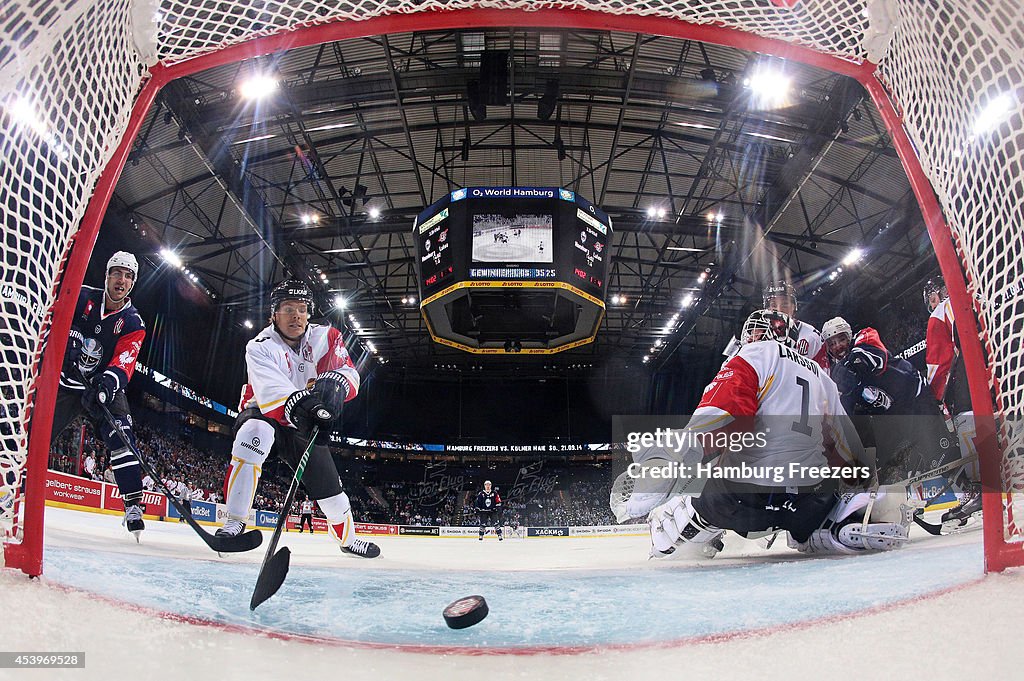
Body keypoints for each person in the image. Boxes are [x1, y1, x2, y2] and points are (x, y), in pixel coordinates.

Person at [638, 309, 908, 558]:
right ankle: (842, 522)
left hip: (745, 498)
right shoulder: (823, 377)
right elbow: (847, 449)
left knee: (686, 500)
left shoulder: (750, 356)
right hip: (807, 502)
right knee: (821, 507)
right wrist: (861, 486)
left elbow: (717, 421)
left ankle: (678, 543)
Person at [217, 279, 379, 558]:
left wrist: (336, 387)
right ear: (274, 314)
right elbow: (272, 393)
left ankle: (348, 540)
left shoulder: (325, 336)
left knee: (332, 494)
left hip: (304, 422)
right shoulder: (259, 346)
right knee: (253, 434)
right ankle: (234, 522)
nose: (296, 316)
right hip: (266, 413)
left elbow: (349, 371)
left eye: (302, 309)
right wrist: (313, 406)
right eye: (288, 309)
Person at [49, 251, 147, 539]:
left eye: (128, 276)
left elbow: (125, 360)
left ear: (132, 284)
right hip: (67, 383)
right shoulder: (81, 297)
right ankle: (14, 488)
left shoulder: (133, 322)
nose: (122, 280)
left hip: (102, 389)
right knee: (37, 434)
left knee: (122, 438)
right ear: (107, 276)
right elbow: (55, 320)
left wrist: (107, 383)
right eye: (117, 272)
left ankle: (132, 505)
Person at [821, 316, 959, 481]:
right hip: (894, 416)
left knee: (940, 455)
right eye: (832, 344)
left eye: (841, 339)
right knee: (898, 465)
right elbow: (846, 415)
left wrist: (846, 368)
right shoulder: (840, 378)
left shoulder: (864, 337)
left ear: (850, 336)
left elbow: (875, 358)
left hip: (916, 397)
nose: (838, 347)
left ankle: (970, 486)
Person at [923, 277, 980, 526]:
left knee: (967, 426)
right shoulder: (972, 299)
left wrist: (935, 397)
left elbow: (938, 363)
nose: (932, 303)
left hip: (966, 375)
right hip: (995, 368)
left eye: (932, 298)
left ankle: (978, 491)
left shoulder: (940, 312)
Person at [762, 280, 828, 369]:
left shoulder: (812, 336)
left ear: (794, 307)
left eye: (785, 304)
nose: (779, 309)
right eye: (773, 304)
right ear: (767, 308)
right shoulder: (759, 336)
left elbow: (823, 376)